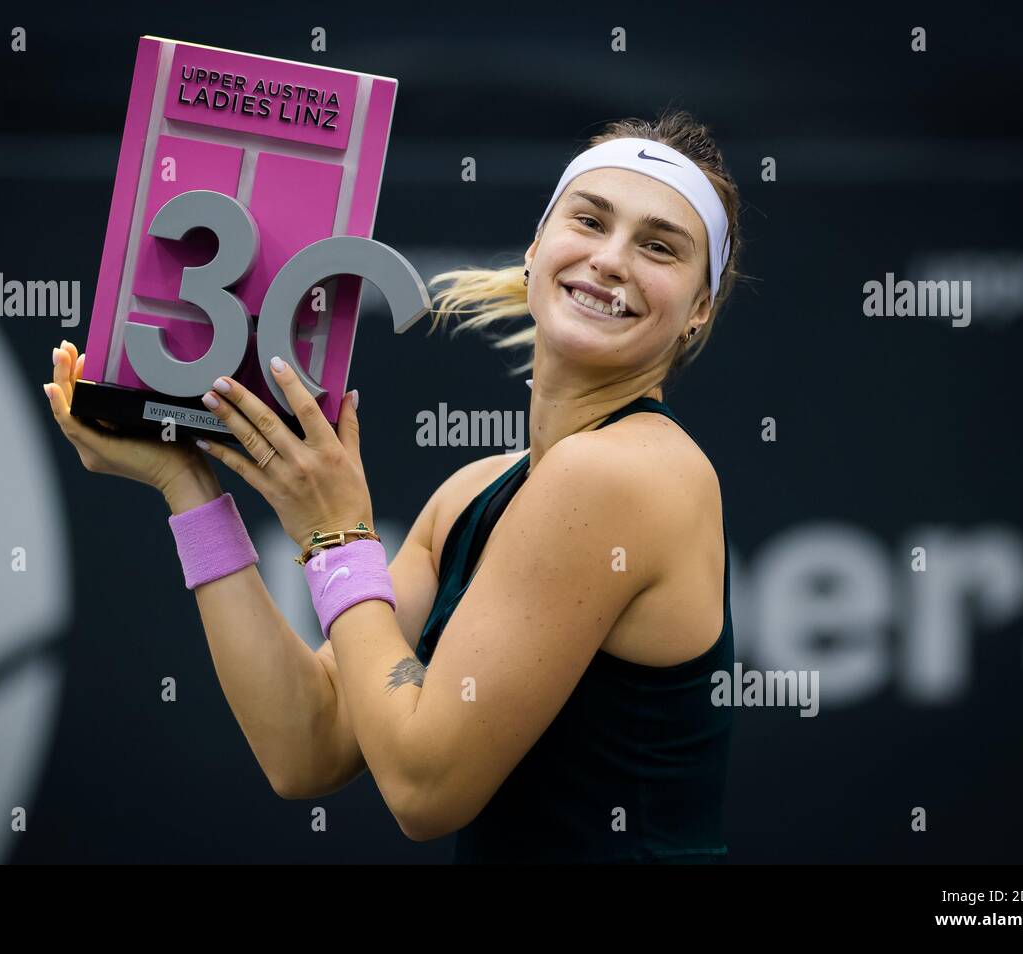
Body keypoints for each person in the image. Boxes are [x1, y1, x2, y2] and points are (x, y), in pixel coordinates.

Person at [43, 107, 745, 864]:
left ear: (698, 310)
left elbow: (423, 789)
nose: (610, 260)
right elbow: (309, 744)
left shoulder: (615, 473)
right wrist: (188, 487)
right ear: (537, 247)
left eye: (659, 247)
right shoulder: (481, 488)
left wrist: (334, 537)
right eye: (590, 220)